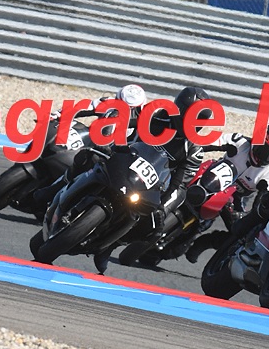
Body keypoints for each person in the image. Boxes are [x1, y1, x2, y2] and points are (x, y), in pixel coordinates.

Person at [90, 86, 212, 273]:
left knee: (155, 227)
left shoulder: (194, 150)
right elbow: (123, 123)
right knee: (89, 158)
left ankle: (110, 246)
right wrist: (108, 138)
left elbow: (180, 185)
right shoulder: (155, 116)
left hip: (151, 184)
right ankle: (55, 191)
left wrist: (163, 207)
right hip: (125, 160)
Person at [184, 123, 269, 263]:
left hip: (234, 200)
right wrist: (190, 151)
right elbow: (207, 143)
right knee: (183, 176)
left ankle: (207, 241)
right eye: (265, 149)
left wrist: (245, 216)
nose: (266, 156)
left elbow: (260, 206)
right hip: (211, 179)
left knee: (241, 234)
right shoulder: (239, 142)